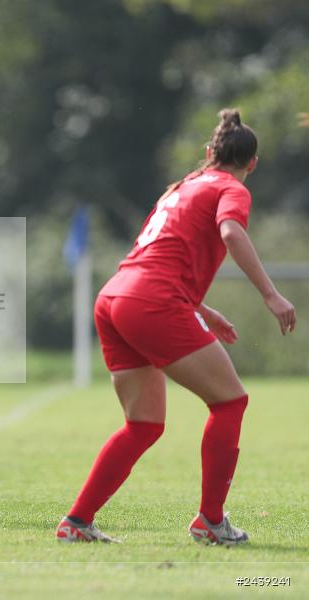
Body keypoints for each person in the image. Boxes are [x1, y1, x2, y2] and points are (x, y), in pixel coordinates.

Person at [55, 110, 296, 546]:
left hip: (116, 296)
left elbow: (157, 255)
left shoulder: (183, 187)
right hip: (150, 301)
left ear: (209, 153)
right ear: (253, 163)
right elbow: (232, 234)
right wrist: (270, 295)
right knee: (230, 403)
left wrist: (202, 307)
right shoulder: (230, 187)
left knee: (143, 425)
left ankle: (76, 521)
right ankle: (211, 520)